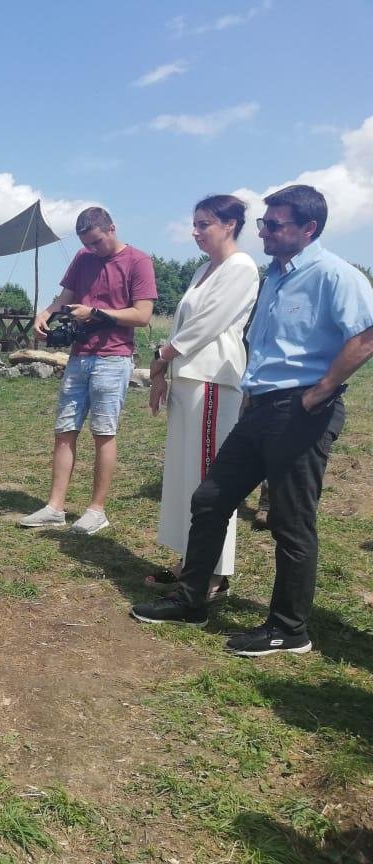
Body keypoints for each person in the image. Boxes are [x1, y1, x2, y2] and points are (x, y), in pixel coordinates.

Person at [131, 185, 373, 656]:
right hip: (259, 406)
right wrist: (252, 395)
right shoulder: (276, 277)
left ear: (309, 229)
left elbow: (364, 336)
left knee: (290, 519)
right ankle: (191, 599)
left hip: (303, 409)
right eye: (264, 223)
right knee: (210, 497)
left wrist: (321, 392)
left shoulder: (333, 275)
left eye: (274, 224)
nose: (264, 231)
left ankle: (288, 628)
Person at [144, 195, 258, 600]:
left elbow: (207, 326)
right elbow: (182, 323)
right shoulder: (201, 269)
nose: (195, 232)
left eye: (204, 223)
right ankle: (190, 560)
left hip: (213, 379)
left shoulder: (241, 268)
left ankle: (214, 573)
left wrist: (162, 357)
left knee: (210, 479)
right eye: (194, 224)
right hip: (189, 377)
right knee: (182, 477)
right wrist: (165, 370)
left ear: (229, 225)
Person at [18, 207, 157, 534]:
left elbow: (143, 315)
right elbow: (65, 296)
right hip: (79, 357)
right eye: (87, 244)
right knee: (64, 430)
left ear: (112, 227)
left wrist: (96, 312)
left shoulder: (138, 261)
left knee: (103, 433)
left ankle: (97, 510)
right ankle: (55, 507)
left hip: (114, 357)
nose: (93, 249)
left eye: (97, 242)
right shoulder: (82, 258)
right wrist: (46, 313)